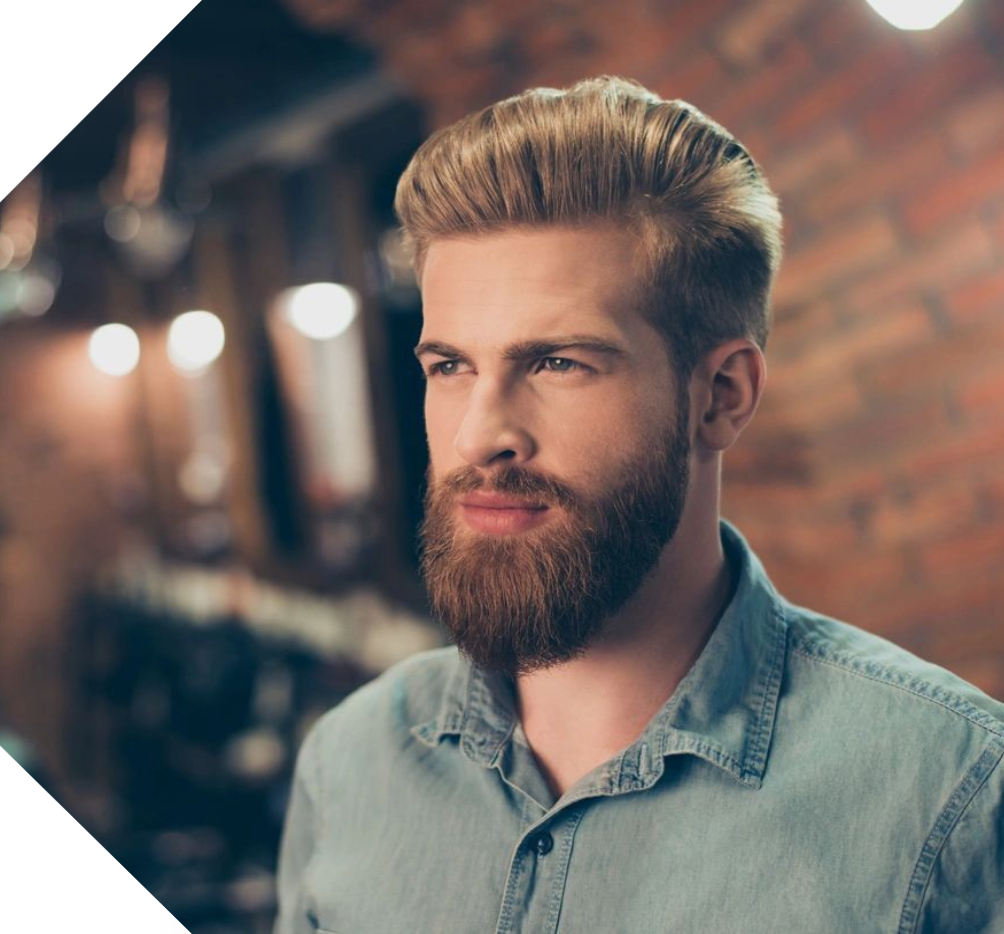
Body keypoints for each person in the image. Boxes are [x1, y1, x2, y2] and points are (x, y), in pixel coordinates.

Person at [273, 77, 1004, 933]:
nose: (481, 435)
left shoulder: (949, 793)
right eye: (451, 367)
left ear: (721, 395)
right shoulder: (351, 763)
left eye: (559, 364)